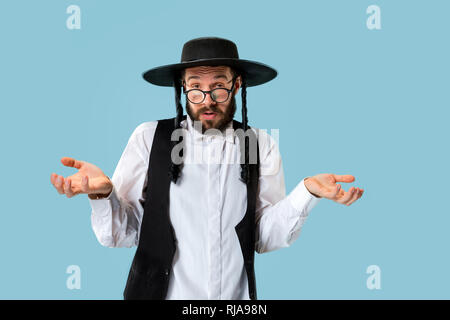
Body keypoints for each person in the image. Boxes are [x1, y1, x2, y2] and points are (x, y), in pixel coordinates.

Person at [50, 37, 364, 300]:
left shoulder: (260, 144)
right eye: (196, 87)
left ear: (237, 85)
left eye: (219, 86)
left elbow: (262, 237)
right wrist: (103, 194)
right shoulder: (148, 138)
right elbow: (122, 234)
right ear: (182, 88)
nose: (207, 100)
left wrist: (306, 192)